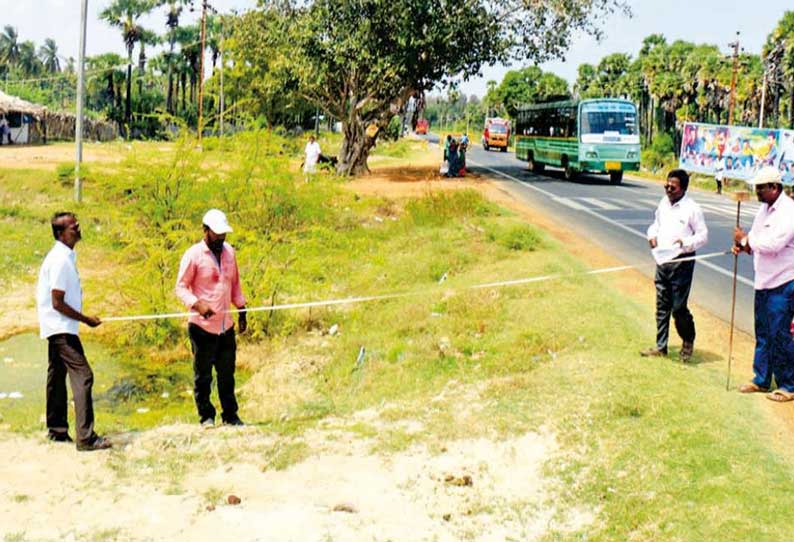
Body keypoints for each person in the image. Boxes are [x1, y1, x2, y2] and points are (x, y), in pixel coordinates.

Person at [36, 212, 112, 451]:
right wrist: (86, 319)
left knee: (57, 375)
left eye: (77, 225)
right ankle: (86, 438)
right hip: (61, 328)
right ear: (61, 233)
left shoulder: (64, 256)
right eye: (73, 227)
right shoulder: (60, 259)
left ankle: (57, 430)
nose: (78, 229)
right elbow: (57, 301)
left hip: (57, 327)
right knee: (84, 376)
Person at [176, 209, 247, 426]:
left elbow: (235, 284)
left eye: (224, 233)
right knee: (203, 376)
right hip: (201, 327)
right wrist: (197, 304)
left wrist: (242, 310)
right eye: (217, 233)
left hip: (226, 326)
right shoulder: (193, 255)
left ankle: (230, 415)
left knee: (227, 374)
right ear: (205, 230)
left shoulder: (229, 253)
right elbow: (180, 288)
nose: (221, 238)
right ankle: (206, 416)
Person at [732, 167, 794, 402]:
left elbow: (773, 244)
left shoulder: (789, 211)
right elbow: (756, 241)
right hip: (764, 280)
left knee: (780, 334)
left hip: (784, 281)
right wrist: (744, 246)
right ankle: (762, 379)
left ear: (775, 188)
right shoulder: (763, 209)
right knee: (764, 333)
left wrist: (747, 240)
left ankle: (788, 384)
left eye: (761, 187)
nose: (756, 191)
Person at [641, 169, 708, 362]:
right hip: (662, 260)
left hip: (681, 263)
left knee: (678, 308)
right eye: (666, 185)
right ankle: (661, 346)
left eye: (673, 187)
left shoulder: (692, 209)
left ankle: (688, 340)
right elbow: (656, 224)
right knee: (662, 305)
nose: (668, 189)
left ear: (684, 188)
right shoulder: (663, 203)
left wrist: (685, 243)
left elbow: (703, 236)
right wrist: (652, 236)